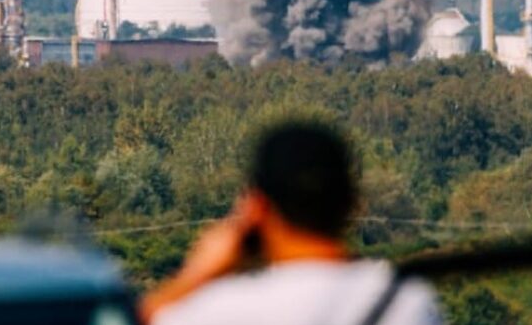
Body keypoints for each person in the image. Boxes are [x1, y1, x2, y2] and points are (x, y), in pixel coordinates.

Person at [139, 121, 442, 325]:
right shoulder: (408, 303)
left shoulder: (221, 310)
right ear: (352, 202)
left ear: (258, 208)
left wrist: (199, 274)